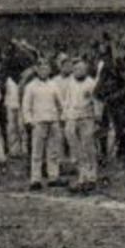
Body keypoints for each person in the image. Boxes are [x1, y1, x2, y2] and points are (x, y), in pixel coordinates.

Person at [21, 59, 65, 190]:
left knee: (53, 151)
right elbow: (26, 106)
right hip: (38, 122)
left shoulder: (53, 85)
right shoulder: (31, 86)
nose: (44, 71)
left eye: (46, 68)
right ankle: (35, 179)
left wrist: (61, 118)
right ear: (37, 70)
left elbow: (60, 103)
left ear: (49, 70)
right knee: (37, 152)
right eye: (41, 68)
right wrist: (29, 121)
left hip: (53, 121)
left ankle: (53, 177)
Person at [64, 59, 100, 191]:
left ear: (86, 70)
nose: (78, 71)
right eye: (76, 69)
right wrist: (66, 116)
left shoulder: (91, 83)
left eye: (81, 69)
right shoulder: (69, 82)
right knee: (76, 149)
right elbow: (66, 100)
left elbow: (96, 102)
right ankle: (82, 176)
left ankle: (92, 177)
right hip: (72, 118)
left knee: (88, 148)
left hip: (87, 118)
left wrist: (97, 119)